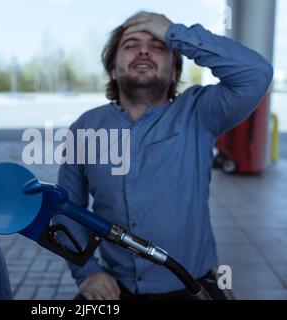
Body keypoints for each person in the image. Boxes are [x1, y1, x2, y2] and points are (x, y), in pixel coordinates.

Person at [54, 11, 273, 300]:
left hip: (193, 285)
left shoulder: (199, 112)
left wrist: (175, 33)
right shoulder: (85, 127)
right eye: (130, 44)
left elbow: (256, 73)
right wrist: (87, 272)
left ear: (174, 72)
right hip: (114, 291)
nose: (144, 50)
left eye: (158, 46)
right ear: (113, 70)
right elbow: (66, 206)